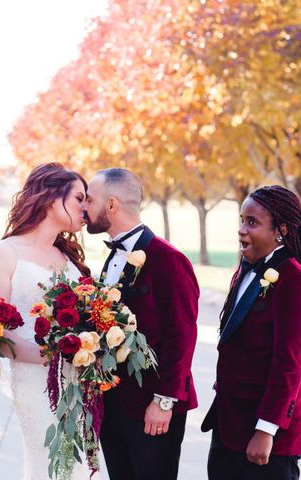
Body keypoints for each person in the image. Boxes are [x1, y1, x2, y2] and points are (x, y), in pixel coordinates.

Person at [0, 162, 94, 480]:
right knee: (52, 461)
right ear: (51, 197)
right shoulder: (4, 253)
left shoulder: (70, 259)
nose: (86, 207)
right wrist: (52, 356)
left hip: (79, 380)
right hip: (34, 380)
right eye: (79, 198)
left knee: (81, 464)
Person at [83, 168, 200, 480]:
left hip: (152, 405)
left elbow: (183, 335)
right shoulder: (112, 257)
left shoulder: (168, 259)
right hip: (113, 404)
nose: (84, 207)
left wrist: (164, 402)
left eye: (89, 200)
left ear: (111, 205)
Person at [201, 185, 301, 480]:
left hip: (268, 436)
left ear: (280, 230)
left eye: (252, 222)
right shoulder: (245, 269)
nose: (242, 230)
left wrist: (266, 429)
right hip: (229, 425)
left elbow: (288, 364)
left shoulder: (294, 281)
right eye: (241, 221)